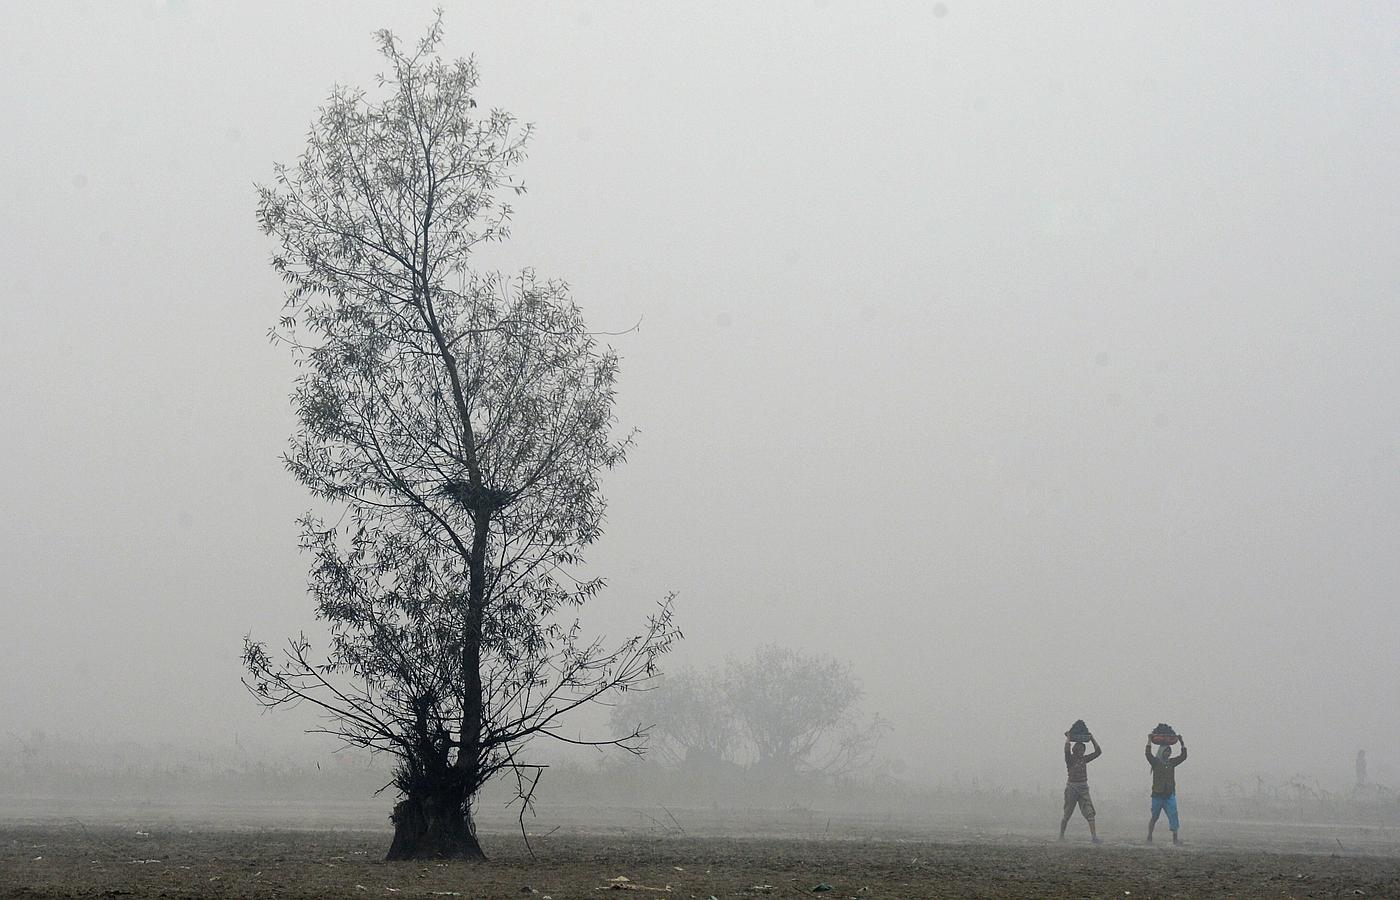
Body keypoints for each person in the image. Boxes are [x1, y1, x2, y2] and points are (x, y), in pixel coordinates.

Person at [1145, 735, 1188, 844]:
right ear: (1162, 752)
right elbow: (1148, 754)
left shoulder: (1171, 763)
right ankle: (1149, 836)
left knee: (1173, 815)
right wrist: (1149, 740)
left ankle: (1175, 839)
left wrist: (1182, 743)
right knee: (1154, 817)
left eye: (1169, 752)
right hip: (1157, 795)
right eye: (1166, 751)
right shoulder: (1155, 762)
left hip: (1169, 795)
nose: (1168, 753)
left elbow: (1183, 756)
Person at [1060, 736, 1102, 842]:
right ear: (1075, 750)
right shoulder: (1070, 759)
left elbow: (1098, 752)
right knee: (1067, 813)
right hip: (1072, 787)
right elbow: (1066, 749)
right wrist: (1069, 738)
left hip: (1083, 787)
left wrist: (1092, 738)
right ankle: (1061, 835)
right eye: (1080, 750)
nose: (1082, 752)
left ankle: (1094, 837)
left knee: (1090, 812)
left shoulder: (1084, 759)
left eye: (1083, 750)